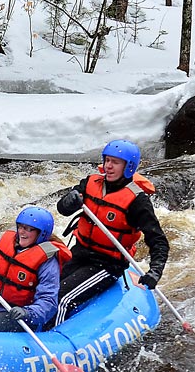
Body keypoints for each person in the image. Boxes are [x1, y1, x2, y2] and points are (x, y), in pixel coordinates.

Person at [52, 139, 169, 326]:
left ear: (129, 166)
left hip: (107, 264)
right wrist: (68, 201)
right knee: (44, 289)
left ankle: (48, 340)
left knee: (62, 300)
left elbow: (158, 240)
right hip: (79, 253)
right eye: (107, 160)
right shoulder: (90, 182)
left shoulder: (137, 201)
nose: (108, 166)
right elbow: (63, 209)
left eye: (115, 162)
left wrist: (155, 271)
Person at [0, 206, 71, 332]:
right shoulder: (7, 241)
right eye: (20, 227)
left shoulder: (47, 261)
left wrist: (28, 313)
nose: (22, 232)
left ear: (41, 234)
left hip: (19, 318)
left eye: (28, 229)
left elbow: (48, 300)